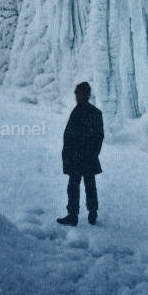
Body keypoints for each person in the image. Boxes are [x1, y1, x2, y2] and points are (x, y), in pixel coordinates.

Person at [57, 82, 103, 226]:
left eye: (79, 93)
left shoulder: (83, 112)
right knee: (86, 185)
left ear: (85, 95)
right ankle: (90, 213)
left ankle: (76, 215)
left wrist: (90, 153)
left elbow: (97, 137)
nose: (76, 96)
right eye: (76, 93)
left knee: (77, 186)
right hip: (83, 157)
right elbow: (98, 137)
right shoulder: (92, 112)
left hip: (80, 157)